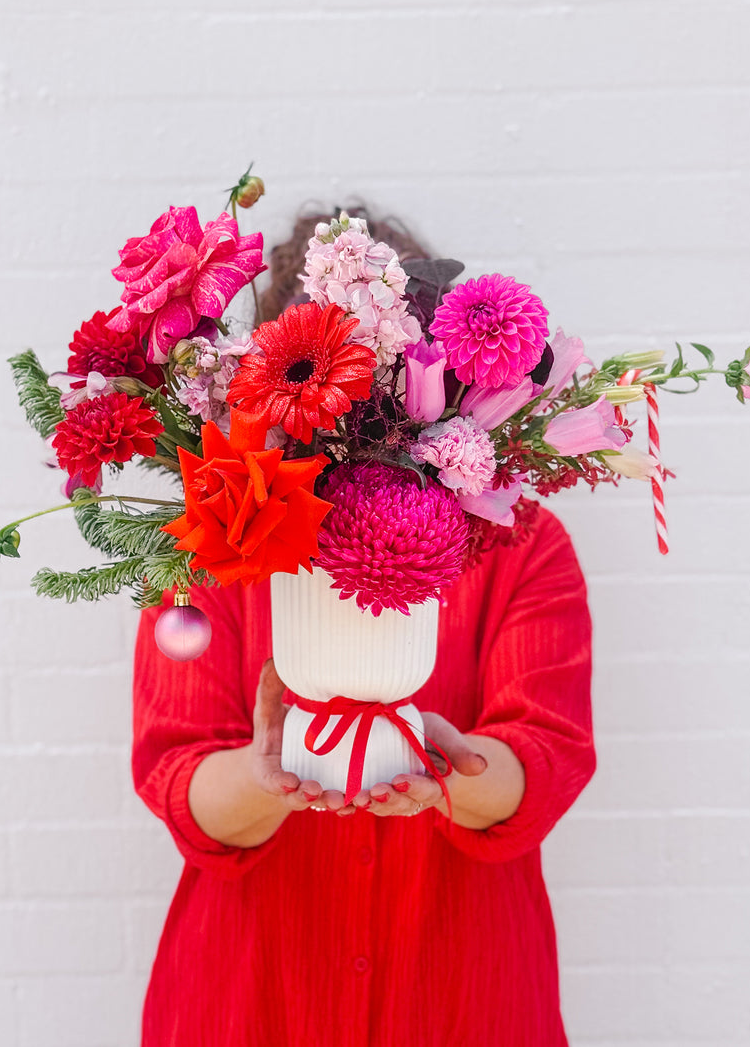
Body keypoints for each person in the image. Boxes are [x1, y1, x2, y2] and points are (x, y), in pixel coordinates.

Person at [131, 211, 596, 1046]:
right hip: (253, 996)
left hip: (461, 997)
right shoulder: (213, 547)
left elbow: (548, 756)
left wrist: (453, 772)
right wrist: (260, 774)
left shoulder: (519, 545)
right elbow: (178, 776)